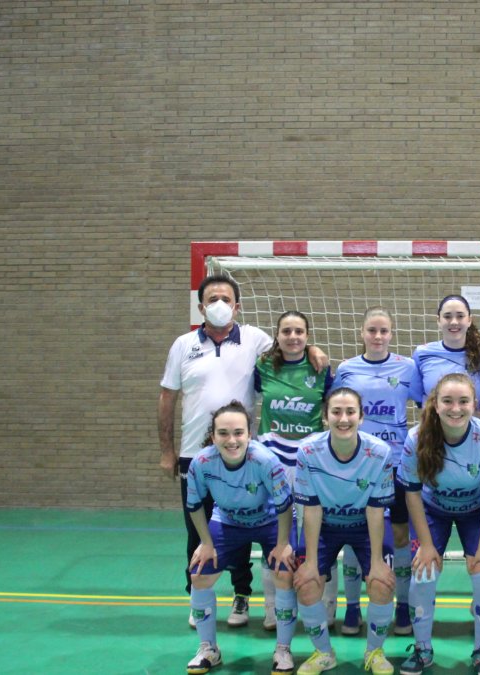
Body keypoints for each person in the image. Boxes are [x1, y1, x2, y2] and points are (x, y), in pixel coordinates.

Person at [159, 274, 268, 628]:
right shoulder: (182, 345)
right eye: (212, 298)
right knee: (197, 531)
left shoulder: (255, 340)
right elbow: (167, 398)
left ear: (237, 306)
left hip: (242, 455)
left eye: (226, 298)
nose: (219, 304)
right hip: (195, 455)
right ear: (201, 306)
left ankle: (241, 594)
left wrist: (313, 350)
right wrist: (167, 450)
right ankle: (198, 596)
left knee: (239, 527)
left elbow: (290, 351)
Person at [396, 373, 480, 675]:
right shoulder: (416, 438)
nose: (455, 408)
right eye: (447, 401)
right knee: (423, 574)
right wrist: (428, 545)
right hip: (433, 510)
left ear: (475, 405)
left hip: (476, 511)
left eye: (463, 401)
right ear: (436, 404)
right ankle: (422, 649)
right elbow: (413, 495)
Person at [182, 401, 295, 675]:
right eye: (223, 433)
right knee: (198, 573)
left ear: (249, 434)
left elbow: (285, 505)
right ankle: (208, 647)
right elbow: (194, 505)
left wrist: (282, 545)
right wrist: (206, 543)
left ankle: (283, 649)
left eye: (238, 432)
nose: (231, 440)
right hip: (228, 521)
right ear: (213, 435)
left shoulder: (265, 461)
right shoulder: (203, 462)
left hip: (269, 521)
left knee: (284, 572)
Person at [292, 388, 398, 675]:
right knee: (306, 581)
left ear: (361, 417)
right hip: (325, 525)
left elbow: (376, 510)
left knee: (381, 581)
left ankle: (374, 652)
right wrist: (312, 564)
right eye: (336, 412)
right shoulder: (308, 451)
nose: (343, 418)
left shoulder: (379, 452)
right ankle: (324, 653)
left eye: (350, 412)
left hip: (366, 525)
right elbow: (311, 510)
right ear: (325, 417)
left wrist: (376, 562)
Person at [332, 307, 424, 637]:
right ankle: (353, 608)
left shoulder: (408, 368)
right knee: (357, 537)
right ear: (362, 332)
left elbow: (427, 406)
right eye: (372, 330)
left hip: (397, 464)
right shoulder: (346, 369)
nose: (378, 336)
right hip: (360, 466)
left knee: (400, 537)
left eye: (384, 331)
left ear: (392, 333)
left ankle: (402, 607)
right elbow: (335, 414)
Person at [254, 310, 336, 629]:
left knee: (318, 536)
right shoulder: (262, 367)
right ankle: (273, 607)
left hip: (309, 463)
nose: (293, 336)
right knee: (276, 536)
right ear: (277, 335)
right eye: (286, 331)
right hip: (272, 462)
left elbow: (334, 407)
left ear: (307, 336)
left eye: (299, 331)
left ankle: (326, 605)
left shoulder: (320, 367)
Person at [413, 294, 480, 410]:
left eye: (460, 316)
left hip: (470, 426)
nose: (454, 322)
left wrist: (477, 413)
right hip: (433, 427)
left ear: (469, 320)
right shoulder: (422, 354)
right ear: (438, 321)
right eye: (447, 316)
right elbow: (419, 399)